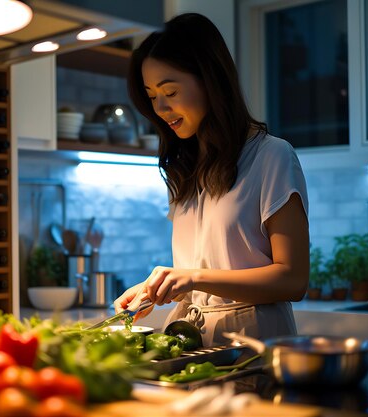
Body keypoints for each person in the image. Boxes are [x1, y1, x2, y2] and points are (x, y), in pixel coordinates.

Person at [113, 13, 310, 347]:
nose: (160, 108)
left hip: (251, 344)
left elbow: (293, 279)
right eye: (151, 96)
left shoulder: (272, 156)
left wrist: (193, 278)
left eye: (170, 91)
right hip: (188, 342)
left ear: (209, 79)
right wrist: (152, 290)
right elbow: (197, 269)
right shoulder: (185, 169)